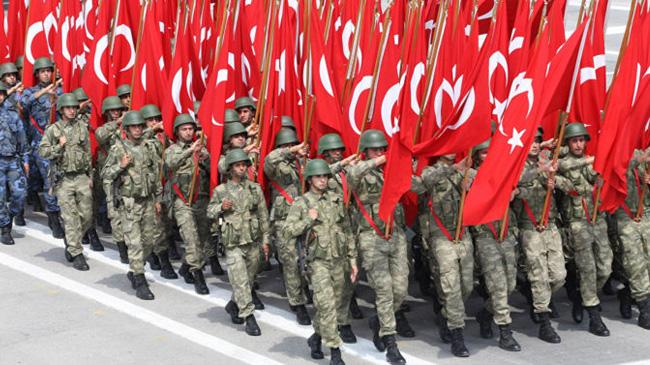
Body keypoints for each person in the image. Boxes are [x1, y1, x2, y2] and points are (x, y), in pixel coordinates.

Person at [283, 159, 356, 365]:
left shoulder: (336, 200)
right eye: (318, 177)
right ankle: (335, 351)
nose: (322, 180)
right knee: (327, 306)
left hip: (339, 260)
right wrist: (308, 219)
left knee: (334, 305)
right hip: (317, 263)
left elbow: (347, 230)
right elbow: (287, 231)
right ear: (310, 179)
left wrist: (353, 260)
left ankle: (315, 337)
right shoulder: (302, 203)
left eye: (325, 176)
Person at [348, 129, 407, 364]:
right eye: (375, 150)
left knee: (400, 289)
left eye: (383, 149)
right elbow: (351, 174)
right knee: (383, 290)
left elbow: (416, 185)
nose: (381, 153)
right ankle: (391, 342)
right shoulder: (361, 172)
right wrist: (378, 161)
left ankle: (379, 321)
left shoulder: (391, 171)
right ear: (366, 152)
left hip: (396, 235)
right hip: (371, 237)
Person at [412, 153, 473, 357]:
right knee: (452, 286)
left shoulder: (464, 170)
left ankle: (446, 312)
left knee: (466, 285)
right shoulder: (430, 171)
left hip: (462, 234)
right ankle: (457, 334)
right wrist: (453, 168)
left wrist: (469, 183)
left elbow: (484, 186)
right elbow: (422, 183)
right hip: (441, 236)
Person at [512, 128, 567, 343]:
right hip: (529, 227)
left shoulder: (546, 160)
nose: (535, 145)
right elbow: (517, 180)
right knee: (539, 276)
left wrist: (554, 181)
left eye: (538, 141)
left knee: (558, 276)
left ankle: (535, 295)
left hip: (550, 225)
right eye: (531, 141)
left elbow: (564, 179)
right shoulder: (517, 164)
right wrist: (541, 170)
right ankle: (544, 321)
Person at [558, 122, 612, 337]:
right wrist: (594, 165)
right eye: (574, 140)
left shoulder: (591, 163)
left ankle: (582, 296)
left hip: (597, 220)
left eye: (581, 140)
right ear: (568, 143)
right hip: (578, 224)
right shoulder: (562, 165)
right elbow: (572, 184)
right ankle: (593, 315)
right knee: (587, 268)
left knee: (605, 266)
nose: (579, 144)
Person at [207, 148, 269, 336]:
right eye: (238, 165)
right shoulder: (221, 190)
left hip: (252, 240)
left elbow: (263, 215)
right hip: (233, 243)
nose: (242, 168)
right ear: (230, 168)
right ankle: (248, 317)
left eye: (244, 165)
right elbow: (209, 212)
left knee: (249, 280)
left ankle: (234, 304)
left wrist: (266, 240)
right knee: (240, 280)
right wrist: (220, 207)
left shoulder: (254, 188)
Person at [102, 110, 162, 300]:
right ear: (126, 129)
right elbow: (105, 175)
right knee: (134, 242)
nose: (137, 130)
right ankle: (139, 277)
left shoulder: (148, 147)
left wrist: (159, 199)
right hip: (129, 203)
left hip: (148, 200)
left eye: (139, 126)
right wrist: (120, 165)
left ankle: (136, 267)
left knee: (150, 241)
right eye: (133, 127)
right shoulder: (118, 149)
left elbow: (156, 173)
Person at [469, 140, 520, 352]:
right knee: (498, 286)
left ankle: (486, 313)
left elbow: (520, 179)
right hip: (485, 236)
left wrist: (514, 191)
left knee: (510, 284)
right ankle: (505, 332)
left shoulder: (503, 172)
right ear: (476, 156)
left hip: (505, 233)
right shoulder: (471, 176)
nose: (487, 156)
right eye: (482, 153)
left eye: (490, 152)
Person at [38, 93, 94, 270]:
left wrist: (90, 176)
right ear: (61, 109)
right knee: (70, 218)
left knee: (86, 216)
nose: (72, 111)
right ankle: (76, 252)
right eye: (68, 108)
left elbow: (87, 152)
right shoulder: (53, 129)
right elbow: (43, 152)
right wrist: (59, 146)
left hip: (81, 177)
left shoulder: (82, 127)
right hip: (64, 180)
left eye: (74, 108)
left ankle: (71, 240)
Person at [264, 127, 312, 325]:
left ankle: (303, 288)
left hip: (305, 216)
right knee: (290, 262)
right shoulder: (276, 165)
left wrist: (303, 157)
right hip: (284, 219)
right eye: (286, 146)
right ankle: (296, 302)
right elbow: (269, 160)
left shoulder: (302, 163)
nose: (291, 149)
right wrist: (290, 152)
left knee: (306, 258)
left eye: (292, 145)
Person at [317, 133, 362, 343]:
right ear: (325, 153)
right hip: (328, 232)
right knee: (331, 283)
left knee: (348, 278)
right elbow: (323, 176)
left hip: (348, 228)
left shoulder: (346, 172)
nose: (338, 153)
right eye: (334, 151)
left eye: (340, 150)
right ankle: (326, 325)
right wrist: (342, 163)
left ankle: (343, 321)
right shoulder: (320, 171)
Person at [165, 114, 213, 295]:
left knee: (201, 239)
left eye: (190, 129)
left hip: (200, 200)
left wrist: (203, 158)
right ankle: (198, 276)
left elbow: (212, 169)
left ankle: (186, 267)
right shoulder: (173, 149)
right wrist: (189, 151)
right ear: (177, 132)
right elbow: (171, 163)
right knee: (191, 240)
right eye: (184, 129)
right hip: (182, 201)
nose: (188, 132)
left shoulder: (202, 149)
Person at [20, 57, 63, 239]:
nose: (46, 73)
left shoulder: (60, 91)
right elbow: (24, 103)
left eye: (48, 71)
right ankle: (53, 218)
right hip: (40, 144)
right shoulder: (31, 91)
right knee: (49, 180)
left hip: (59, 143)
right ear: (37, 74)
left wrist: (56, 95)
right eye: (43, 71)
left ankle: (59, 212)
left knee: (59, 180)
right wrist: (45, 92)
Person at [611, 148, 650, 330]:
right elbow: (618, 168)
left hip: (646, 213)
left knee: (647, 262)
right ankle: (644, 310)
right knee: (634, 263)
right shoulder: (622, 148)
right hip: (625, 216)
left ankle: (626, 291)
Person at [141, 104, 178, 279]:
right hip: (150, 189)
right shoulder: (141, 140)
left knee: (166, 222)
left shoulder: (165, 138)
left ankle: (157, 251)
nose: (155, 123)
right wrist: (153, 130)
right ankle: (163, 261)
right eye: (150, 120)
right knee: (157, 226)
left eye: (157, 119)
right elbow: (139, 140)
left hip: (167, 186)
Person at [96, 96, 128, 260]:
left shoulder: (129, 127)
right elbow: (100, 136)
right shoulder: (106, 128)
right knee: (115, 213)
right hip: (112, 174)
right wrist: (117, 123)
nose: (116, 113)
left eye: (119, 110)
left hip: (129, 174)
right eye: (113, 110)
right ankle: (121, 247)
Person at [0, 82, 28, 245]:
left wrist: (25, 160)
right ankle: (5, 228)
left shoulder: (12, 115)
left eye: (2, 94)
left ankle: (8, 217)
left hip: (12, 160)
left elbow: (22, 139)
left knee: (20, 194)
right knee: (0, 197)